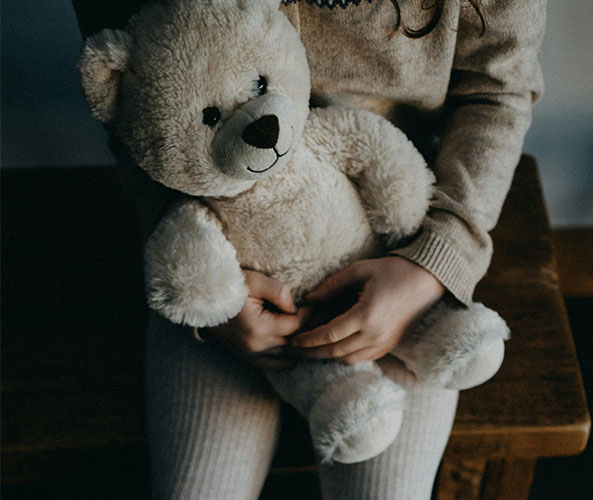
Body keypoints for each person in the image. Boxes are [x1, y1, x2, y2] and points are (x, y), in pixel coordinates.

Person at [76, 0, 545, 498]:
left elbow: (498, 92)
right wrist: (213, 299)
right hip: (224, 243)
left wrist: (435, 260)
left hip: (399, 251)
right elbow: (134, 116)